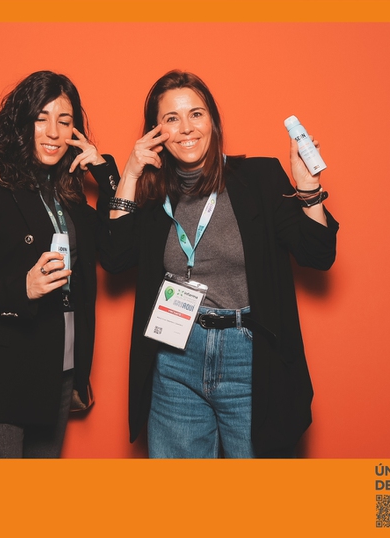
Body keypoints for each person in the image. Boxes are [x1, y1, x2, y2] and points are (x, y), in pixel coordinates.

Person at [97, 70, 339, 458]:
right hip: (175, 354)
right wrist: (130, 174)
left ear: (213, 120)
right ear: (156, 132)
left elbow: (318, 255)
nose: (186, 128)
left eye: (196, 114)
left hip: (249, 356)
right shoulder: (153, 195)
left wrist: (308, 190)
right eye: (171, 118)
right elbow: (115, 257)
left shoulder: (259, 178)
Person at [0, 71, 117, 457]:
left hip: (56, 376)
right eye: (41, 118)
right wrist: (23, 288)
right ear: (21, 123)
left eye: (64, 121)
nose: (53, 132)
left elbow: (116, 249)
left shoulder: (69, 197)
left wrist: (105, 174)